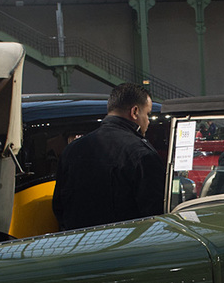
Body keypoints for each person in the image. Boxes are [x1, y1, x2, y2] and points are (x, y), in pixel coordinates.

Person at [52, 82, 162, 230]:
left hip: (79, 243)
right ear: (135, 112)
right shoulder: (141, 154)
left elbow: (59, 206)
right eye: (147, 114)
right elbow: (154, 214)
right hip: (125, 244)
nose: (148, 121)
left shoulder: (71, 150)